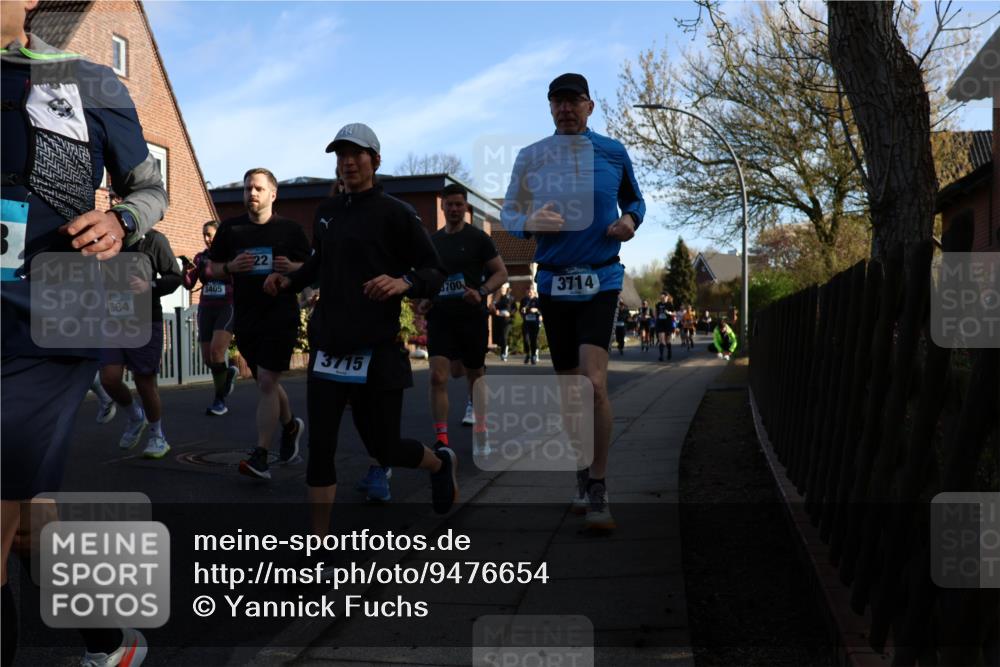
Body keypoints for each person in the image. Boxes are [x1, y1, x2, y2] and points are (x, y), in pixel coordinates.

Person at [1, 1, 167, 663]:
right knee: (25, 523)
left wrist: (124, 219)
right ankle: (110, 639)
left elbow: (149, 186)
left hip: (59, 310)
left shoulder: (89, 80)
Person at [263, 122, 457, 532]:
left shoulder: (397, 214)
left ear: (375, 160)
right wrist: (290, 280)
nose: (347, 163)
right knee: (321, 449)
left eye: (356, 154)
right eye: (340, 156)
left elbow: (435, 270)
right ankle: (317, 546)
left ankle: (439, 464)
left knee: (384, 447)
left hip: (377, 348)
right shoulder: (327, 212)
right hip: (330, 347)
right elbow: (319, 264)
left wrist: (404, 282)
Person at [501, 73, 645, 532]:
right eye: (557, 102)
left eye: (573, 101)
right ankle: (582, 474)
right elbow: (508, 213)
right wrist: (529, 220)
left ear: (590, 106)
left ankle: (599, 486)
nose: (565, 109)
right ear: (549, 108)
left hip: (602, 277)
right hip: (555, 283)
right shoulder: (532, 156)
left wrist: (630, 221)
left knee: (593, 383)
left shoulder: (613, 151)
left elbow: (636, 200)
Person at [208, 168, 310, 480]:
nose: (252, 194)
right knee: (265, 381)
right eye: (248, 188)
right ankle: (291, 425)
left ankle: (261, 456)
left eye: (259, 189)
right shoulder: (231, 230)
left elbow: (311, 269)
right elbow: (211, 268)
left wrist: (292, 268)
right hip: (247, 315)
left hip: (281, 315)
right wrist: (229, 266)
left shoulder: (290, 231)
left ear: (272, 194)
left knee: (266, 380)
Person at [416, 183, 508, 460]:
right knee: (438, 376)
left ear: (465, 208)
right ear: (442, 206)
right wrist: (425, 298)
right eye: (449, 204)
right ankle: (442, 440)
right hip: (442, 317)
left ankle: (481, 432)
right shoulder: (433, 242)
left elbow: (501, 274)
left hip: (472, 317)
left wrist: (480, 292)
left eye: (459, 205)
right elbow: (428, 280)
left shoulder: (479, 238)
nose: (454, 209)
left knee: (474, 376)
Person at [99, 229, 182, 459]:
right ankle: (136, 417)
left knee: (144, 382)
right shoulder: (107, 236)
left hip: (144, 320)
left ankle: (158, 436)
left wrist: (150, 286)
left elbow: (175, 277)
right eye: (115, 196)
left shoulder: (154, 240)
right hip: (113, 317)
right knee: (109, 378)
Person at [182, 220, 237, 416]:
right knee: (208, 359)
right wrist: (185, 270)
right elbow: (189, 284)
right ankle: (228, 373)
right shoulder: (201, 258)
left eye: (210, 234)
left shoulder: (231, 256)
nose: (207, 238)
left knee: (216, 352)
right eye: (204, 234)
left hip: (226, 307)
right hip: (206, 308)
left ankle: (219, 400)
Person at [490, 284, 514, 361]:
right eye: (501, 288)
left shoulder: (510, 298)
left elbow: (514, 309)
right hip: (498, 320)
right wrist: (495, 310)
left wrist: (510, 313)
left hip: (507, 321)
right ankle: (503, 350)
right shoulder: (497, 298)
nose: (502, 289)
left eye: (504, 288)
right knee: (500, 338)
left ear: (507, 289)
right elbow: (492, 308)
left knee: (504, 336)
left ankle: (504, 353)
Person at [520, 287, 541, 364]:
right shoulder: (524, 300)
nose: (529, 294)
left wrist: (536, 310)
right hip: (526, 322)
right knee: (526, 339)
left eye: (531, 292)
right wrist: (523, 311)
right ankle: (527, 354)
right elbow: (520, 310)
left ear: (534, 292)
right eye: (528, 292)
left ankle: (533, 355)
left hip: (535, 322)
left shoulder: (537, 300)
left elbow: (542, 310)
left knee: (533, 340)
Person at [654, 292, 675, 361]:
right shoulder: (658, 304)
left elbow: (674, 313)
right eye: (661, 297)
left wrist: (669, 313)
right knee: (662, 341)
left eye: (663, 297)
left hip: (668, 324)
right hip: (660, 323)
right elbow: (655, 313)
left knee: (667, 341)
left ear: (666, 297)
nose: (662, 298)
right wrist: (656, 318)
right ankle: (661, 356)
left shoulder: (670, 304)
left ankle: (669, 351)